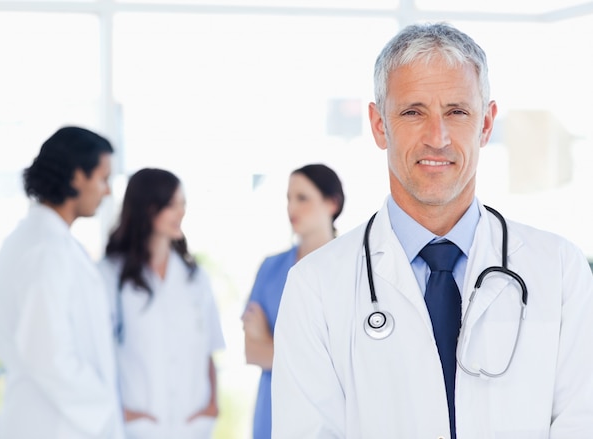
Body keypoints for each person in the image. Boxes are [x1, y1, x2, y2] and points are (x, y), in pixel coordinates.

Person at [271, 22, 593, 439]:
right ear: (379, 125)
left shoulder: (560, 271)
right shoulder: (314, 286)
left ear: (486, 123)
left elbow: (581, 421)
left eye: (457, 111)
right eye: (412, 112)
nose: (437, 137)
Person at [0, 126, 124, 438]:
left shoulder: (49, 242)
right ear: (78, 176)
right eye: (103, 179)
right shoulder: (44, 250)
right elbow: (47, 356)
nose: (107, 191)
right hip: (52, 424)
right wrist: (105, 407)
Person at [98, 167, 225, 439]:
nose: (181, 213)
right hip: (137, 426)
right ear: (147, 208)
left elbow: (209, 349)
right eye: (171, 205)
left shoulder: (195, 277)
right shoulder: (109, 275)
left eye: (183, 204)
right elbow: (97, 353)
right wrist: (119, 410)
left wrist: (212, 406)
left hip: (193, 425)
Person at [242, 163, 345, 439]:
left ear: (332, 203)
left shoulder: (353, 267)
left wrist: (268, 340)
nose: (291, 208)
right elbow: (252, 351)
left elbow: (345, 364)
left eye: (302, 198)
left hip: (332, 417)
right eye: (288, 198)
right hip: (272, 415)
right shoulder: (271, 268)